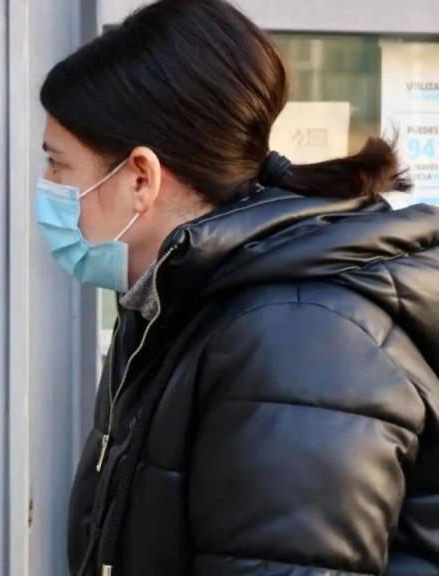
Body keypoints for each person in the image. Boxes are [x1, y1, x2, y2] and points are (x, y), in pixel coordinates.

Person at [35, 1, 439, 574]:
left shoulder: (296, 338)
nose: (47, 186)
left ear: (140, 179)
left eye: (57, 165)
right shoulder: (178, 300)